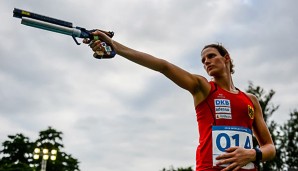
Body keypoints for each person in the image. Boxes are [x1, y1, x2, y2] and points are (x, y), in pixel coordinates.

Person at [83, 31, 276, 171]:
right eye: (203, 60)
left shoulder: (250, 100)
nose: (206, 61)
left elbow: (270, 148)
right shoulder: (203, 87)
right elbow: (164, 66)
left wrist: (253, 154)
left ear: (226, 58)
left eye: (211, 56)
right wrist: (117, 47)